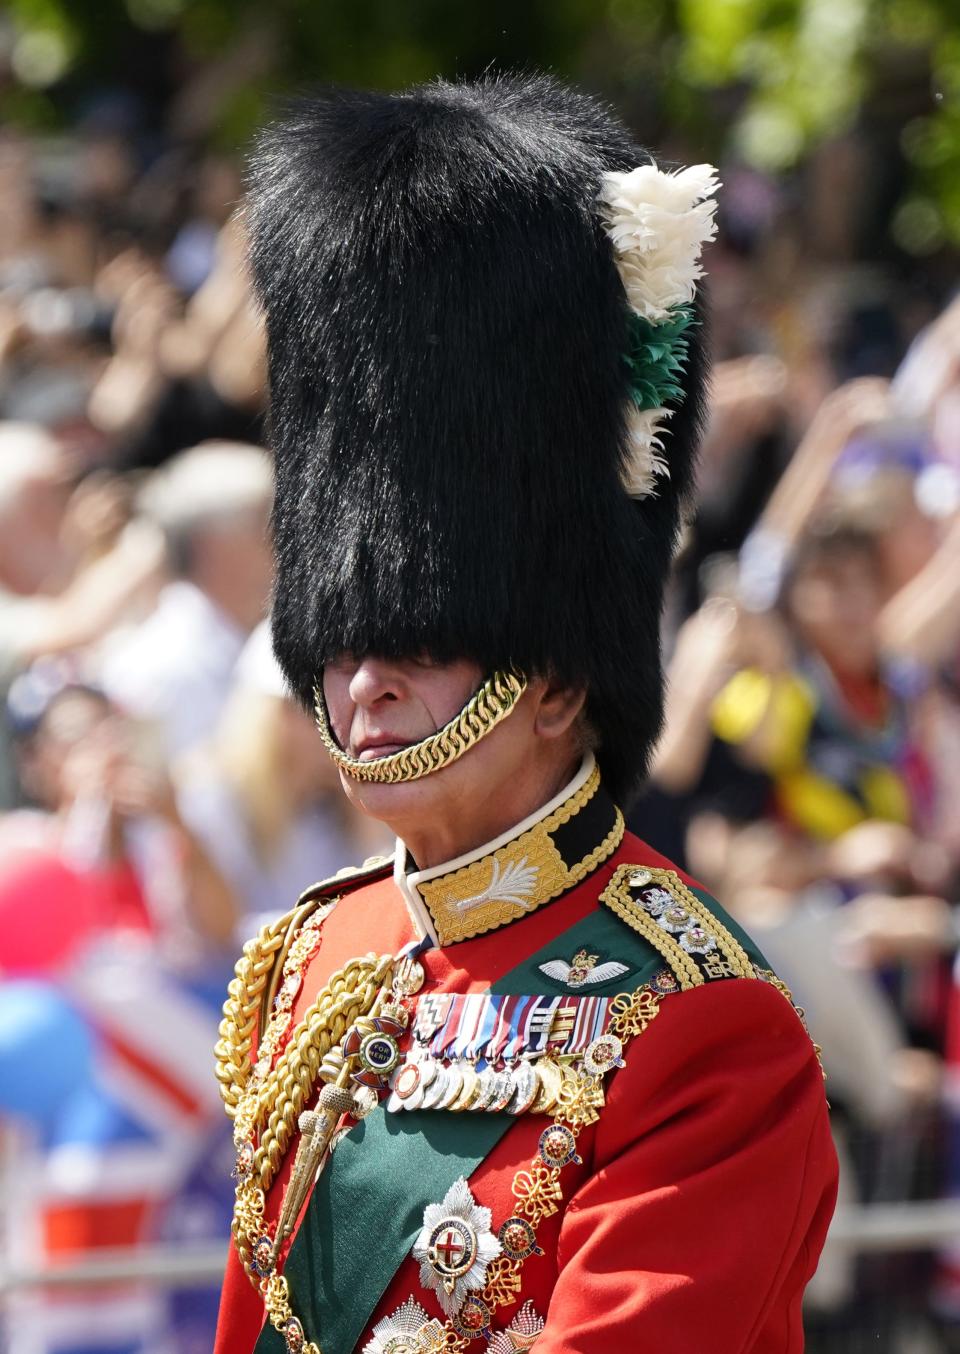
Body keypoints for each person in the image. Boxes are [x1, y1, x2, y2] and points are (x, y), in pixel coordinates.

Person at [214, 74, 836, 1354]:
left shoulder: (698, 1023)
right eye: (344, 642)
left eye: (423, 645)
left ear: (554, 680)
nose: (364, 683)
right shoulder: (314, 964)